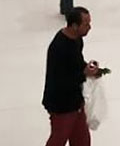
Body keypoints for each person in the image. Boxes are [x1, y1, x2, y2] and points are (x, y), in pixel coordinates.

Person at [42, 7, 101, 145]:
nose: (90, 27)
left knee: (82, 140)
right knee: (58, 139)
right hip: (61, 106)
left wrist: (89, 69)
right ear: (74, 26)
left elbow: (77, 64)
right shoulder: (59, 48)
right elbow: (61, 81)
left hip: (75, 102)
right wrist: (84, 74)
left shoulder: (77, 39)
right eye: (86, 24)